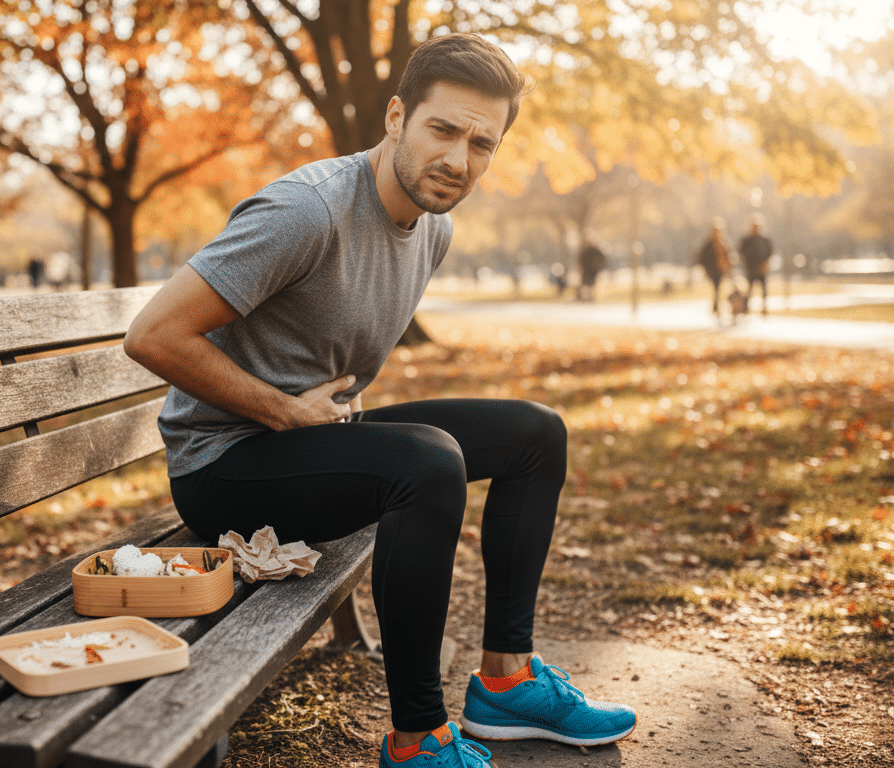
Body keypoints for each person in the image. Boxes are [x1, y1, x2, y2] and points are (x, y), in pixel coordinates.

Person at [124, 33, 635, 768]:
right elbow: (153, 335)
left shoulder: (434, 228)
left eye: (482, 144)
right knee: (426, 463)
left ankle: (507, 681)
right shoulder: (307, 211)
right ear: (397, 117)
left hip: (303, 446)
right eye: (443, 129)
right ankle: (417, 740)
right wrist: (283, 410)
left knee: (536, 434)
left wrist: (312, 421)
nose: (459, 160)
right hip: (222, 470)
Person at [695, 217, 732, 319]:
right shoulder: (708, 244)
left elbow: (729, 255)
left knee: (719, 288)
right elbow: (702, 257)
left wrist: (728, 265)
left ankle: (717, 306)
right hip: (712, 270)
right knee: (716, 287)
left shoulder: (725, 242)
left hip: (722, 270)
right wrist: (707, 268)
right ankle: (716, 307)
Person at [738, 214, 773, 314]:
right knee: (749, 289)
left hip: (762, 268)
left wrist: (766, 264)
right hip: (751, 268)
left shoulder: (765, 240)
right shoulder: (746, 240)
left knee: (764, 289)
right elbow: (742, 252)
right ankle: (746, 308)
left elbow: (769, 252)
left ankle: (764, 307)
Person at [576, 233, 607, 301]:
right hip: (586, 270)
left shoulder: (597, 251)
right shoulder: (586, 250)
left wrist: (599, 267)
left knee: (591, 285)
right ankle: (585, 297)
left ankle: (589, 297)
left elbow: (602, 260)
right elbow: (581, 260)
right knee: (586, 285)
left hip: (593, 271)